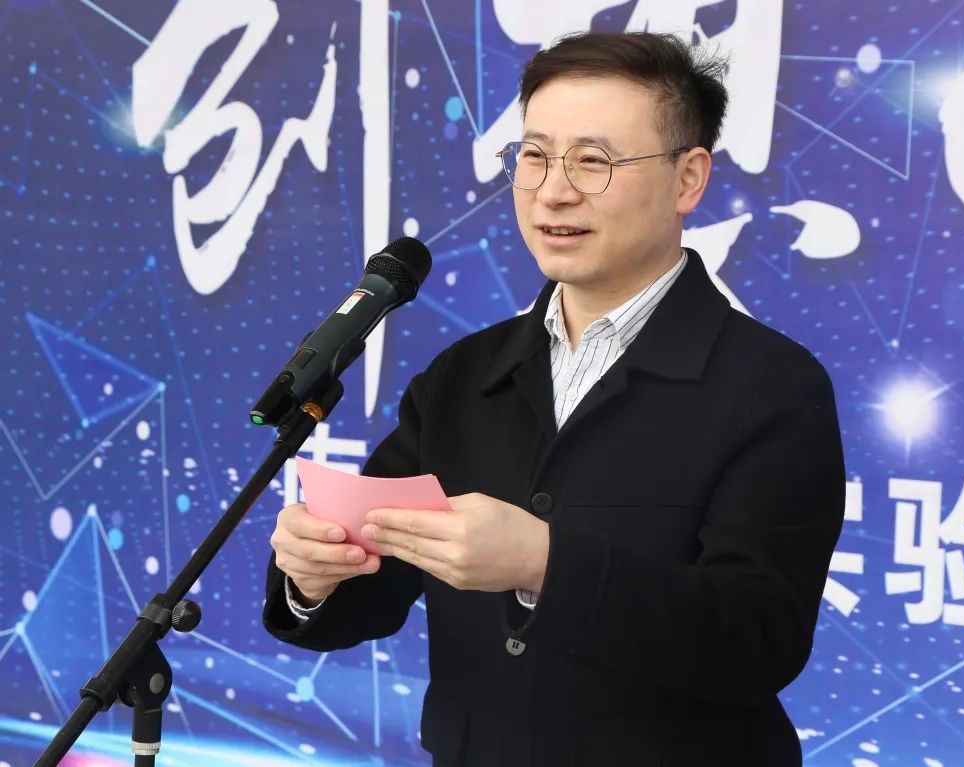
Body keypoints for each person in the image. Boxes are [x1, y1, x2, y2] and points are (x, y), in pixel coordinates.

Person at [263, 31, 845, 767]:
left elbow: (757, 640)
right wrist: (315, 575)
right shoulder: (464, 375)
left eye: (593, 161)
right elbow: (373, 589)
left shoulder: (772, 387)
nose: (553, 191)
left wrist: (544, 564)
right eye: (534, 156)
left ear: (688, 179)